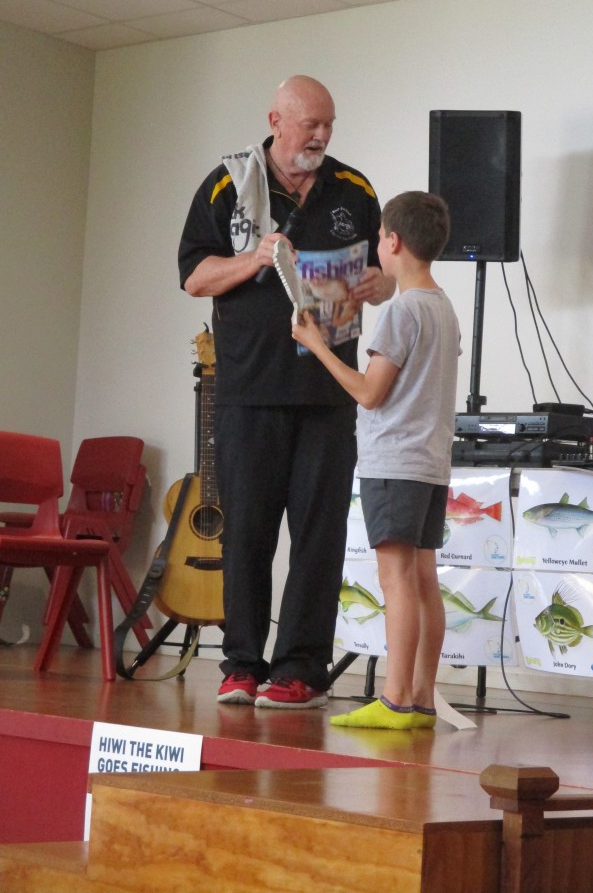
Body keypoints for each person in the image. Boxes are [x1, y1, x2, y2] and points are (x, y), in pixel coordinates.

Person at [178, 75, 394, 709]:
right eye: (310, 125)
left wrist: (374, 286)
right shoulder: (227, 184)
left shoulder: (355, 189)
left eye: (329, 125)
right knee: (246, 534)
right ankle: (241, 664)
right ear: (276, 121)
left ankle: (301, 669)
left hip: (328, 393)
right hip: (248, 390)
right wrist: (255, 258)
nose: (321, 136)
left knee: (319, 537)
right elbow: (194, 277)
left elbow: (387, 275)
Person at [292, 191, 460, 729]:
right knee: (423, 578)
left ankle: (394, 700)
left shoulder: (401, 311)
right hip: (430, 463)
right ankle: (422, 699)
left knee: (396, 580)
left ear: (393, 241)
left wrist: (317, 344)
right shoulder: (443, 307)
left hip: (394, 463)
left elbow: (369, 393)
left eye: (381, 238)